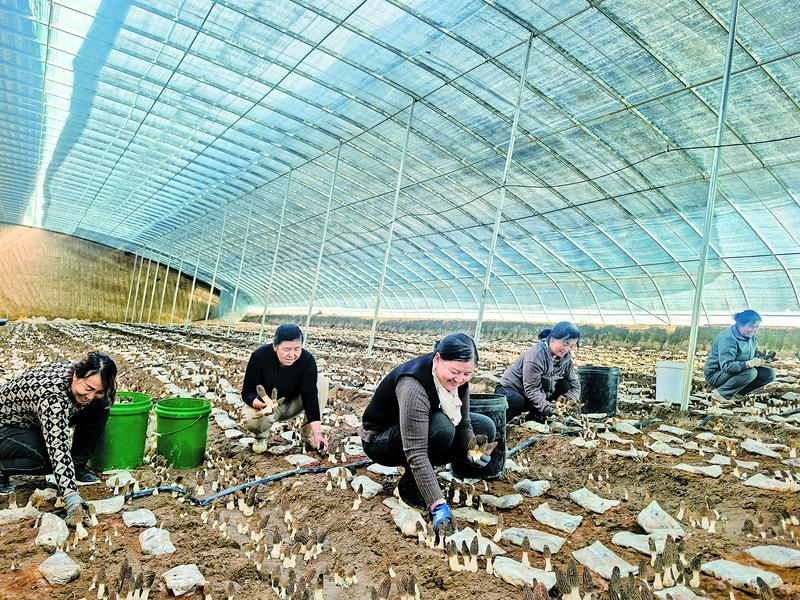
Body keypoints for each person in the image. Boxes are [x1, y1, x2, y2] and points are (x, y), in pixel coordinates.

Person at [360, 333, 496, 534]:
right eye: (454, 371)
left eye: (467, 373)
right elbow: (416, 451)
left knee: (485, 426)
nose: (460, 379)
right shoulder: (414, 384)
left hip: (420, 428)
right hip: (381, 439)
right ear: (438, 359)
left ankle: (422, 477)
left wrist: (473, 449)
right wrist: (437, 504)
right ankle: (409, 487)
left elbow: (464, 424)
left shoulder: (459, 382)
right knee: (443, 427)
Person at [0, 351, 117, 525]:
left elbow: (98, 396)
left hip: (30, 423)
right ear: (77, 375)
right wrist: (71, 498)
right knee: (50, 460)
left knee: (100, 404)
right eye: (88, 389)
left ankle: (77, 465)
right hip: (6, 427)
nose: (91, 396)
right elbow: (58, 447)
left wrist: (99, 395)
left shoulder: (80, 375)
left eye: (98, 391)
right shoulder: (52, 397)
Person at [241, 324, 329, 450]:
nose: (292, 354)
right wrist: (260, 404)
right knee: (252, 419)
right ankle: (260, 437)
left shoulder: (306, 361)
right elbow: (247, 393)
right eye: (287, 349)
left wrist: (317, 433)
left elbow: (311, 399)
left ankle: (308, 435)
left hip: (292, 404)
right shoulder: (260, 357)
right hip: (268, 406)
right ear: (275, 346)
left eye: (297, 349)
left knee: (321, 381)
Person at [496, 321, 581, 423]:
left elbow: (575, 385)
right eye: (565, 343)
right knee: (516, 400)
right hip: (511, 391)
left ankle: (535, 417)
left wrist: (569, 400)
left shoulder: (566, 360)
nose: (567, 349)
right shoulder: (536, 355)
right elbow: (532, 388)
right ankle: (496, 425)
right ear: (553, 338)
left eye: (571, 346)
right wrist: (547, 408)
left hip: (534, 395)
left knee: (565, 384)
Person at [704, 310, 776, 403]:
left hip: (737, 371)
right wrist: (749, 363)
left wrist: (762, 358)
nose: (754, 330)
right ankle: (720, 394)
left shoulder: (750, 336)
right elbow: (727, 366)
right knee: (751, 373)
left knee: (769, 374)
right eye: (751, 326)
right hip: (716, 375)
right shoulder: (729, 338)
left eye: (756, 327)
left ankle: (737, 393)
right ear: (740, 324)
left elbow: (754, 353)